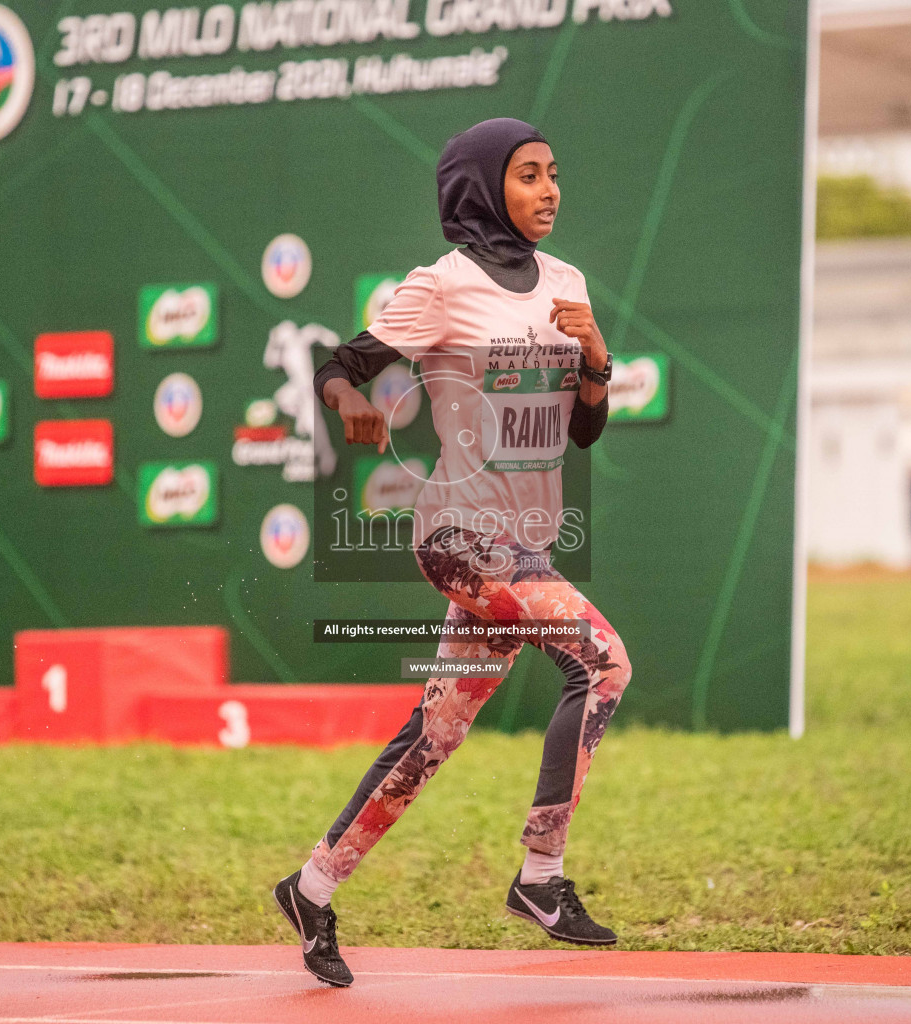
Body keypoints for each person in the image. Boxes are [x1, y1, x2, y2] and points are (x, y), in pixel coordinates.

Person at [272, 118, 631, 988]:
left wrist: (596, 358)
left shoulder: (569, 284)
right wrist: (344, 400)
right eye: (527, 176)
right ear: (480, 188)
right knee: (605, 663)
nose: (549, 190)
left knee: (434, 736)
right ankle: (541, 877)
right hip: (462, 540)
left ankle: (311, 886)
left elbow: (583, 432)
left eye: (553, 173)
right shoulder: (443, 286)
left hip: (526, 541)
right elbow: (341, 362)